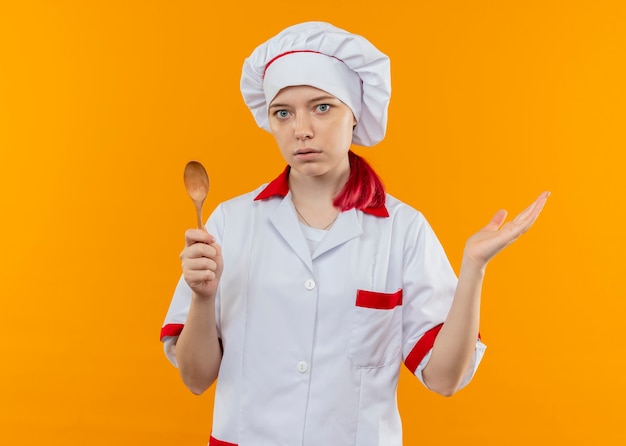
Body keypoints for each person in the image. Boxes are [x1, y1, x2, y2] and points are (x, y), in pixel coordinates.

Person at [160, 21, 549, 446]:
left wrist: (474, 267)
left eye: (322, 107)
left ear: (355, 113)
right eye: (283, 112)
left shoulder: (403, 230)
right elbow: (196, 379)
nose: (301, 129)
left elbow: (444, 379)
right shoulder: (229, 223)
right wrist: (203, 297)